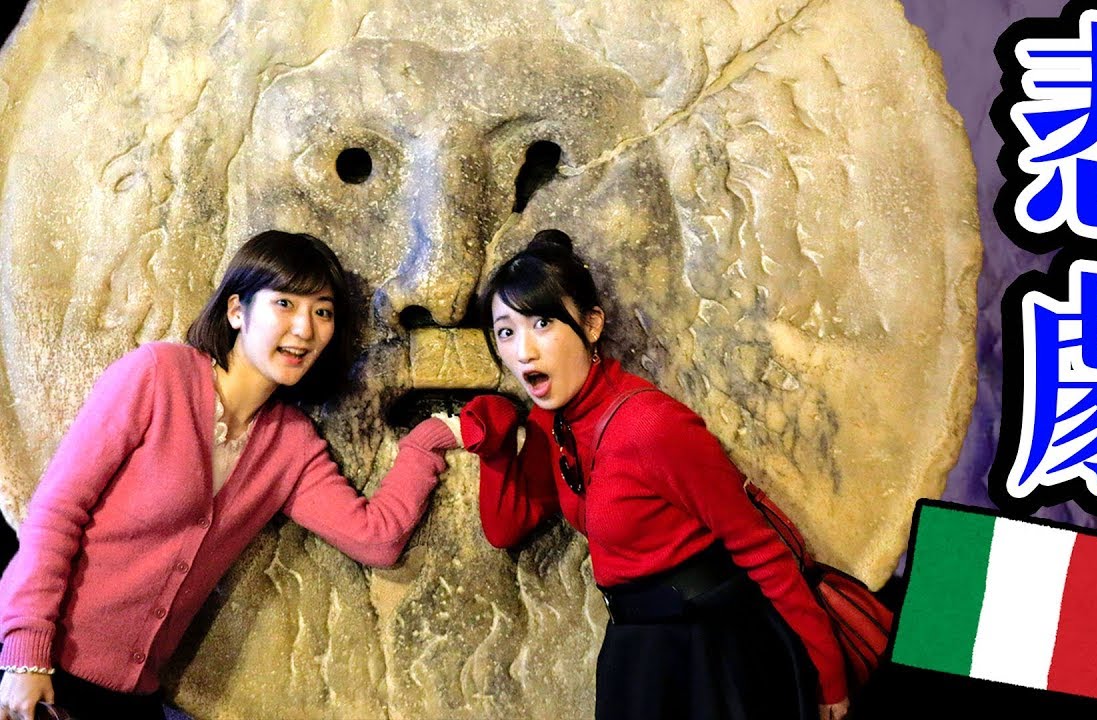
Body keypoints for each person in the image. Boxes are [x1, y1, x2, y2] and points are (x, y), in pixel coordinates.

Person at [0, 230, 458, 720]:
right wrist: (27, 654)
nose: (304, 328)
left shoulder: (290, 443)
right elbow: (56, 511)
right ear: (237, 310)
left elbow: (376, 539)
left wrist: (430, 438)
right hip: (43, 672)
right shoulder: (157, 375)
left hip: (133, 698)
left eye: (323, 312)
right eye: (285, 303)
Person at [459, 229, 850, 720]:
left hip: (712, 651)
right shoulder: (552, 423)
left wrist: (829, 678)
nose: (524, 352)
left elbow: (760, 549)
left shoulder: (652, 426)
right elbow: (505, 528)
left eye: (542, 323)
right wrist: (493, 442)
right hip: (637, 649)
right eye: (506, 332)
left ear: (592, 324)